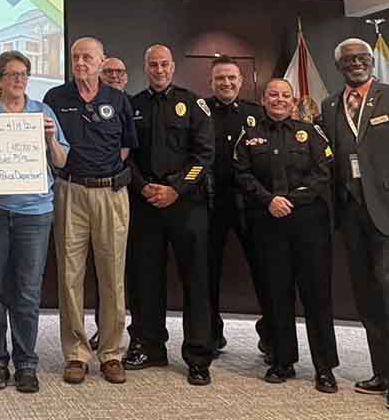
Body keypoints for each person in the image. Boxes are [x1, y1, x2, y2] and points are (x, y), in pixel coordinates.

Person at [319, 38, 389, 413]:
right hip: (351, 215)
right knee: (366, 295)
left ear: (371, 62)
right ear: (339, 66)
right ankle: (381, 372)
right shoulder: (330, 105)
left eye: (362, 58)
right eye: (349, 59)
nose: (356, 63)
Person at [0, 51, 69, 393]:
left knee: (27, 291)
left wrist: (50, 139)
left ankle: (27, 363)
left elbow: (61, 161)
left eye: (23, 74)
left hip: (35, 213)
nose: (18, 80)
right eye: (11, 74)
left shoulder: (43, 112)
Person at [233, 78, 339, 393]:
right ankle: (282, 361)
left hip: (308, 224)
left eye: (285, 95)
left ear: (293, 101)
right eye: (273, 95)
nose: (279, 99)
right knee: (276, 293)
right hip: (268, 224)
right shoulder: (249, 135)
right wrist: (269, 200)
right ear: (263, 100)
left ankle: (324, 367)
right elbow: (242, 174)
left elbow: (323, 172)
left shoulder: (312, 133)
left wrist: (291, 200)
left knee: (317, 295)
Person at [44, 37, 137, 385]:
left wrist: (103, 173)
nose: (81, 62)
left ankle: (111, 353)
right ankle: (76, 354)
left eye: (88, 57)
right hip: (70, 191)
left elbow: (126, 148)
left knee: (112, 275)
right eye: (76, 57)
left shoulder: (118, 99)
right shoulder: (55, 98)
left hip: (111, 194)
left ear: (102, 61)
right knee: (69, 276)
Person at [124, 44, 215, 385]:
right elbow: (125, 155)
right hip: (145, 203)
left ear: (173, 67)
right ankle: (150, 346)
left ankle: (198, 355)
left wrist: (176, 188)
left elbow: (204, 156)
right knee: (144, 278)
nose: (159, 70)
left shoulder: (193, 104)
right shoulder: (133, 106)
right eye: (153, 64)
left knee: (196, 280)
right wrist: (142, 186)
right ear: (145, 67)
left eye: (164, 64)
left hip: (186, 204)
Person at [203, 55, 271, 358]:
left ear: (241, 81)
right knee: (207, 273)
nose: (226, 83)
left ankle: (270, 338)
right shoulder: (200, 111)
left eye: (232, 77)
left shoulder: (256, 113)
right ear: (211, 82)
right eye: (220, 78)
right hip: (211, 202)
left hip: (251, 204)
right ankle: (210, 336)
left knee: (265, 270)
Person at [90, 55, 129, 351]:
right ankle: (101, 330)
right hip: (104, 192)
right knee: (99, 272)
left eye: (120, 71)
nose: (115, 76)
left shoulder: (130, 104)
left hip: (128, 196)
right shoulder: (85, 103)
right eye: (108, 71)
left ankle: (124, 336)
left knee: (123, 273)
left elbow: (129, 148)